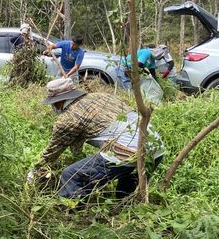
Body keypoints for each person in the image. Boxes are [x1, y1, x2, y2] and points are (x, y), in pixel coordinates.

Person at [27, 78, 164, 200]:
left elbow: (53, 151)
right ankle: (126, 209)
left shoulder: (67, 119)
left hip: (127, 151)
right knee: (124, 191)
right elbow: (77, 143)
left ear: (58, 102)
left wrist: (34, 170)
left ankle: (73, 214)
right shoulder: (101, 96)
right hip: (156, 148)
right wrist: (78, 157)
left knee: (70, 175)